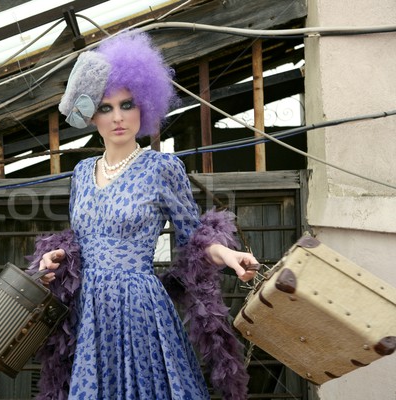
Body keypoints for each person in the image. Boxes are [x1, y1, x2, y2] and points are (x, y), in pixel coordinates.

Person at [27, 30, 258, 400]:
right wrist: (57, 257)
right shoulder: (82, 172)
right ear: (91, 116)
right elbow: (81, 241)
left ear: (145, 107)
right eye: (106, 107)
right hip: (88, 313)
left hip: (140, 308)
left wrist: (228, 255)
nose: (118, 117)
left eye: (127, 104)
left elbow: (195, 240)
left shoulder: (162, 168)